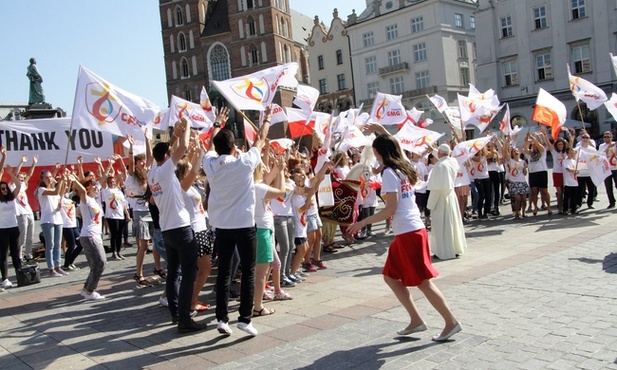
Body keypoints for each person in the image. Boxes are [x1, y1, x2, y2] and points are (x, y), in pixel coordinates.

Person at [348, 124, 461, 342]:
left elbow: (390, 209)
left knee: (423, 282)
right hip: (410, 232)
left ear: (380, 153)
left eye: (376, 152)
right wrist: (381, 129)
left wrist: (362, 223)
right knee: (390, 276)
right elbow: (396, 146)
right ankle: (416, 320)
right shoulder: (403, 166)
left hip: (409, 233)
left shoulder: (391, 173)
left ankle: (450, 322)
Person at [203, 106, 268, 337]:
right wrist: (267, 119)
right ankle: (245, 319)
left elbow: (210, 147)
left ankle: (222, 319)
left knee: (224, 272)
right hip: (244, 225)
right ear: (234, 147)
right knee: (248, 271)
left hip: (222, 226)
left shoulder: (209, 164)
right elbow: (260, 140)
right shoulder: (244, 164)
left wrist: (217, 124)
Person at [149, 118, 205, 333]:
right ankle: (184, 319)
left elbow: (168, 148)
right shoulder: (164, 170)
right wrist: (187, 126)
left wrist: (176, 132)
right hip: (181, 227)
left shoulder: (153, 170)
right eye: (169, 153)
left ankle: (175, 313)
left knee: (173, 272)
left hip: (167, 228)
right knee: (189, 273)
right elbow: (180, 148)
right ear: (166, 157)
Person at [70, 173, 107, 300]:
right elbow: (81, 190)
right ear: (87, 188)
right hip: (89, 235)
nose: (97, 188)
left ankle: (86, 289)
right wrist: (74, 180)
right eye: (93, 186)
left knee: (96, 264)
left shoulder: (94, 201)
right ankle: (90, 291)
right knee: (101, 263)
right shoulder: (85, 200)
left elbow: (101, 180)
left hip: (95, 235)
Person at [426, 144, 466, 260]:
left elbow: (436, 189)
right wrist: (433, 150)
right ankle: (455, 248)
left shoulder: (439, 166)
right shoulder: (452, 162)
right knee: (452, 224)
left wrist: (430, 204)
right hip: (450, 196)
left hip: (441, 199)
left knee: (442, 226)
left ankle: (443, 251)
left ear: (439, 153)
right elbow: (445, 155)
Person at [38, 168, 67, 277]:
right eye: (47, 178)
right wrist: (60, 181)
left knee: (57, 244)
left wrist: (59, 208)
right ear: (42, 179)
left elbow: (58, 194)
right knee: (50, 245)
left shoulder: (56, 191)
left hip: (57, 219)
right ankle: (51, 268)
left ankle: (58, 266)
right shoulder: (41, 189)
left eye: (50, 177)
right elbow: (55, 192)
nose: (49, 179)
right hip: (47, 220)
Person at [0, 164, 23, 289]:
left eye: (5, 188)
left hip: (14, 228)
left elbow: (18, 185)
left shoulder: (12, 197)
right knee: (3, 254)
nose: (4, 190)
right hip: (2, 229)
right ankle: (5, 279)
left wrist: (10, 173)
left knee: (16, 252)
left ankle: (20, 275)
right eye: (2, 189)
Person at [12, 154, 38, 261]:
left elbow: (30, 174)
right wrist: (22, 162)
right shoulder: (13, 185)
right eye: (20, 178)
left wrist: (34, 163)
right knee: (22, 235)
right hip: (21, 213)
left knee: (30, 236)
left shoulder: (23, 185)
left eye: (23, 178)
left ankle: (28, 254)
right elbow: (14, 173)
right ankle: (19, 255)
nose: (22, 179)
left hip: (29, 212)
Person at [598, 131, 617, 209]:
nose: (607, 138)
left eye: (608, 137)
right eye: (605, 137)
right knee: (608, 187)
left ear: (611, 137)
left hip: (615, 167)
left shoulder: (615, 144)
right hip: (606, 169)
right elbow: (601, 155)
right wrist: (609, 147)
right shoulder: (601, 146)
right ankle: (611, 202)